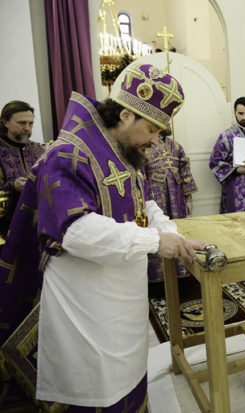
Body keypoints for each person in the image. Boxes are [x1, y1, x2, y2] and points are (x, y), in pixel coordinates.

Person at [0, 64, 207, 411]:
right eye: (152, 128)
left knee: (128, 379)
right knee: (96, 387)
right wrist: (155, 242)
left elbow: (144, 203)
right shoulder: (67, 153)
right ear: (126, 115)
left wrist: (172, 234)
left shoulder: (124, 149)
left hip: (124, 300)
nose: (155, 140)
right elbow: (75, 231)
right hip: (88, 305)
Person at [144, 127, 198, 286]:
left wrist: (188, 198)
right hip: (154, 196)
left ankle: (183, 274)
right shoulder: (144, 144)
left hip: (176, 197)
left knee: (176, 230)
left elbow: (185, 172)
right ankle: (158, 280)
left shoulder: (176, 146)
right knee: (159, 231)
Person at [0, 100, 45, 238]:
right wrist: (13, 186)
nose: (27, 128)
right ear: (5, 122)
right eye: (22, 123)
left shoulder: (39, 149)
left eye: (30, 123)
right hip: (6, 226)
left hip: (39, 223)